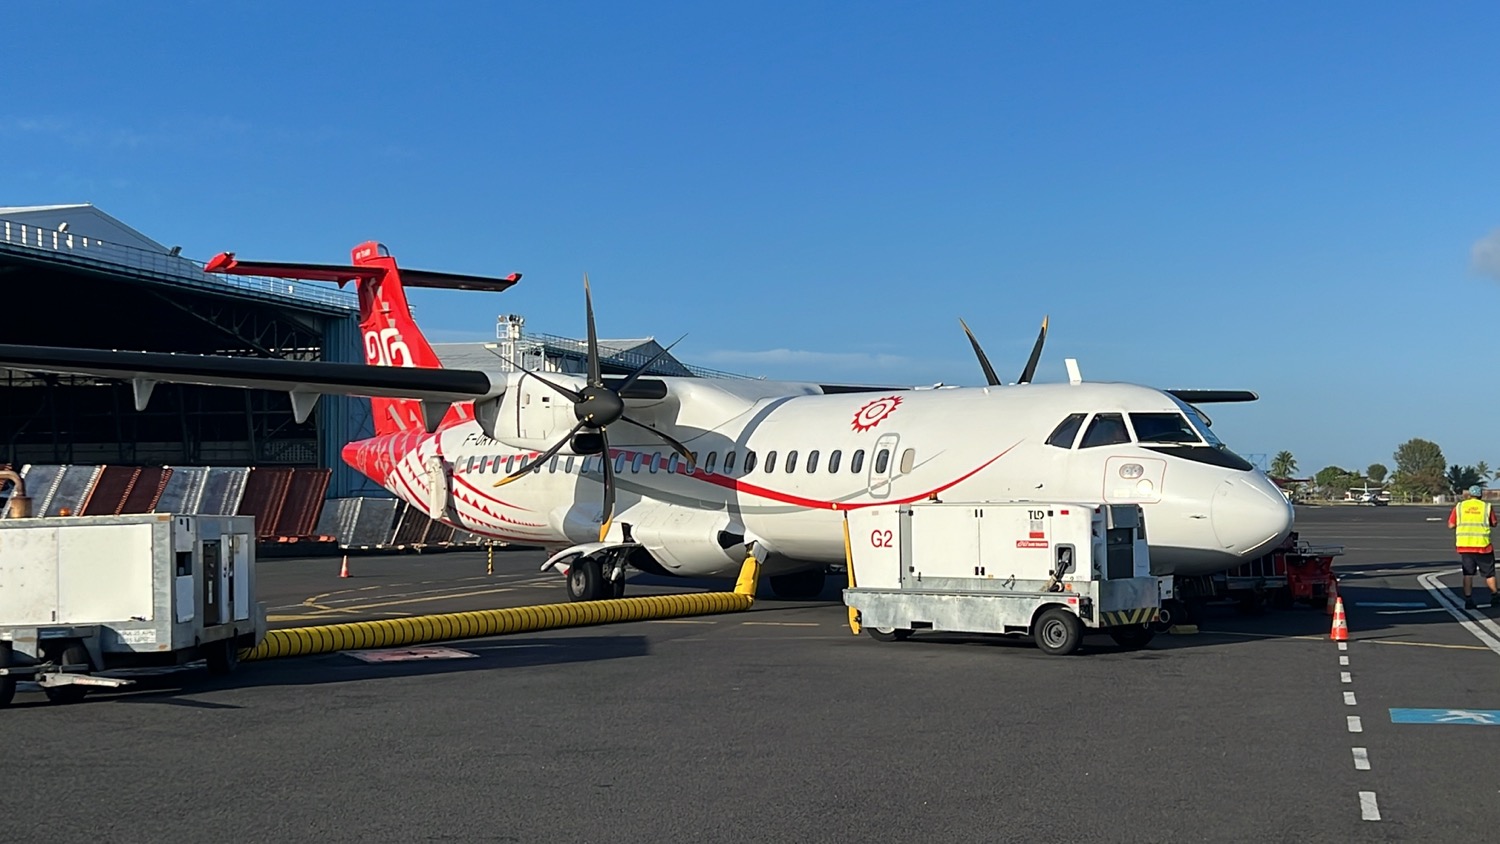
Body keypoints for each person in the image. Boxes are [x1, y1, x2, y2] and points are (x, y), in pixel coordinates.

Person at [1448, 485, 1500, 609]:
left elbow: (1451, 525)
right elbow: (1494, 523)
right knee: (1489, 574)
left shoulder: (1460, 507)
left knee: (1468, 574)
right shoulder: (1486, 507)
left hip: (1465, 545)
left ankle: (1468, 599)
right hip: (1483, 545)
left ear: (1469, 495)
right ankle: (1494, 596)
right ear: (1481, 495)